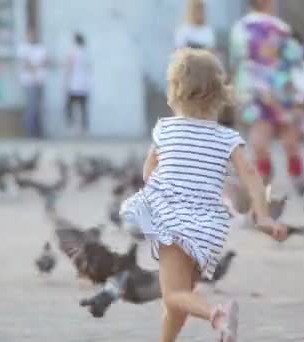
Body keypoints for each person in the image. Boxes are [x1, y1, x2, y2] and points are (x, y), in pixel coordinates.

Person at [120, 49, 287, 342]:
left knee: (173, 295)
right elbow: (250, 174)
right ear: (218, 94)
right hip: (207, 229)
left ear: (175, 91)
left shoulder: (165, 129)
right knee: (179, 302)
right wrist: (262, 215)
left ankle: (216, 315)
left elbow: (148, 174)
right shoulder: (227, 138)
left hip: (172, 222)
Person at [230, 0, 304, 186]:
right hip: (281, 86)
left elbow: (236, 62)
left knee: (260, 135)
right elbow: (295, 59)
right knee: (288, 135)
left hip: (252, 87)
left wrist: (237, 89)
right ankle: (296, 175)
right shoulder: (280, 28)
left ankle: (265, 172)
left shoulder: (240, 28)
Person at [17, 30, 48, 138]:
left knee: (38, 108)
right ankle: (29, 133)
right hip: (29, 82)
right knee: (31, 107)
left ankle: (39, 133)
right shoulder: (23, 48)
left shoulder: (40, 48)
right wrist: (35, 74)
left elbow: (44, 61)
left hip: (40, 82)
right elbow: (26, 63)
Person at [64, 32, 92, 136]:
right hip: (84, 84)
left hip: (74, 84)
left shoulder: (73, 51)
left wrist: (66, 82)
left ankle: (71, 126)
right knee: (83, 107)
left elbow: (69, 67)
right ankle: (83, 128)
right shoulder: (86, 52)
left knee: (69, 106)